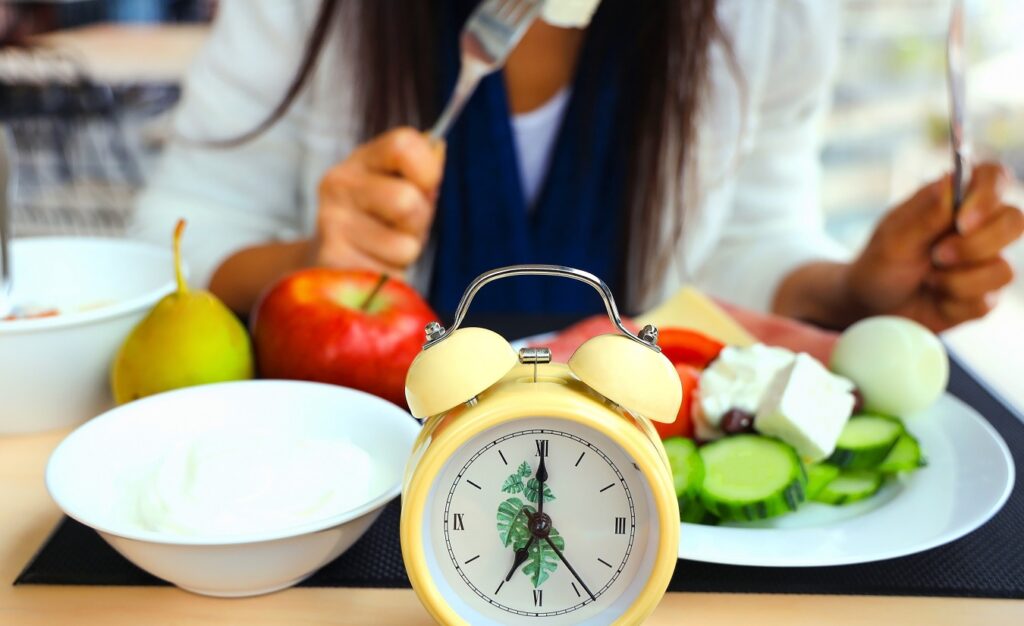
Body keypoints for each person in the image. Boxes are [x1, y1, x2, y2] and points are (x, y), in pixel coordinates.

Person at [133, 0, 1023, 330]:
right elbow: (174, 233)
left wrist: (847, 296)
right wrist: (309, 268)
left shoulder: (771, 16)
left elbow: (743, 236)